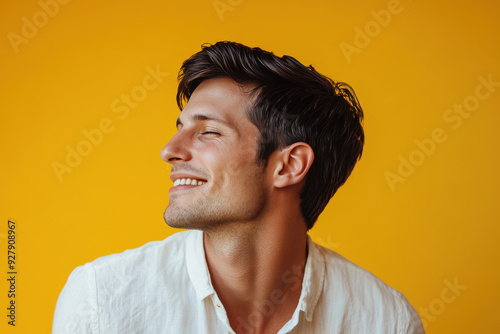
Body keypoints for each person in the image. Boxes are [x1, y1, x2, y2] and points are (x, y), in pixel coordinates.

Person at [52, 41, 424, 334]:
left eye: (208, 132)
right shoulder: (101, 300)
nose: (170, 151)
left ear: (289, 165)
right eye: (180, 127)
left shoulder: (385, 321)